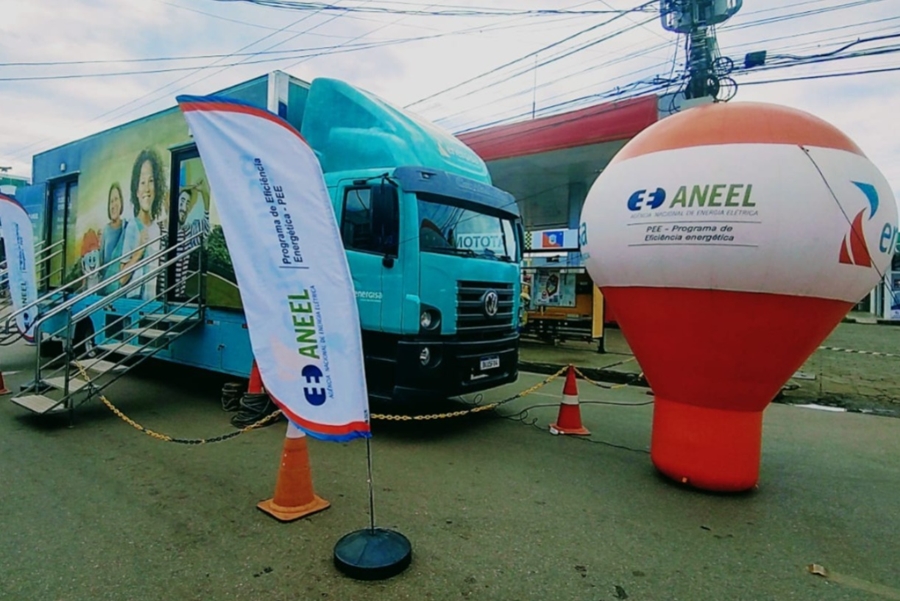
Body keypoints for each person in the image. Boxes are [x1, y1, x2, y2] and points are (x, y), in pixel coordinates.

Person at [119, 149, 166, 300]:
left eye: (151, 181)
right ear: (137, 190)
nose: (146, 188)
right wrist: (138, 253)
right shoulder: (132, 227)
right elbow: (122, 279)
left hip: (151, 305)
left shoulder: (156, 229)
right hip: (134, 306)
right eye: (142, 182)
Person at [100, 182, 127, 294]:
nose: (113, 205)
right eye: (111, 201)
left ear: (121, 202)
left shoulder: (127, 227)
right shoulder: (105, 230)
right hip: (106, 288)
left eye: (116, 199)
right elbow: (101, 262)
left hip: (122, 288)